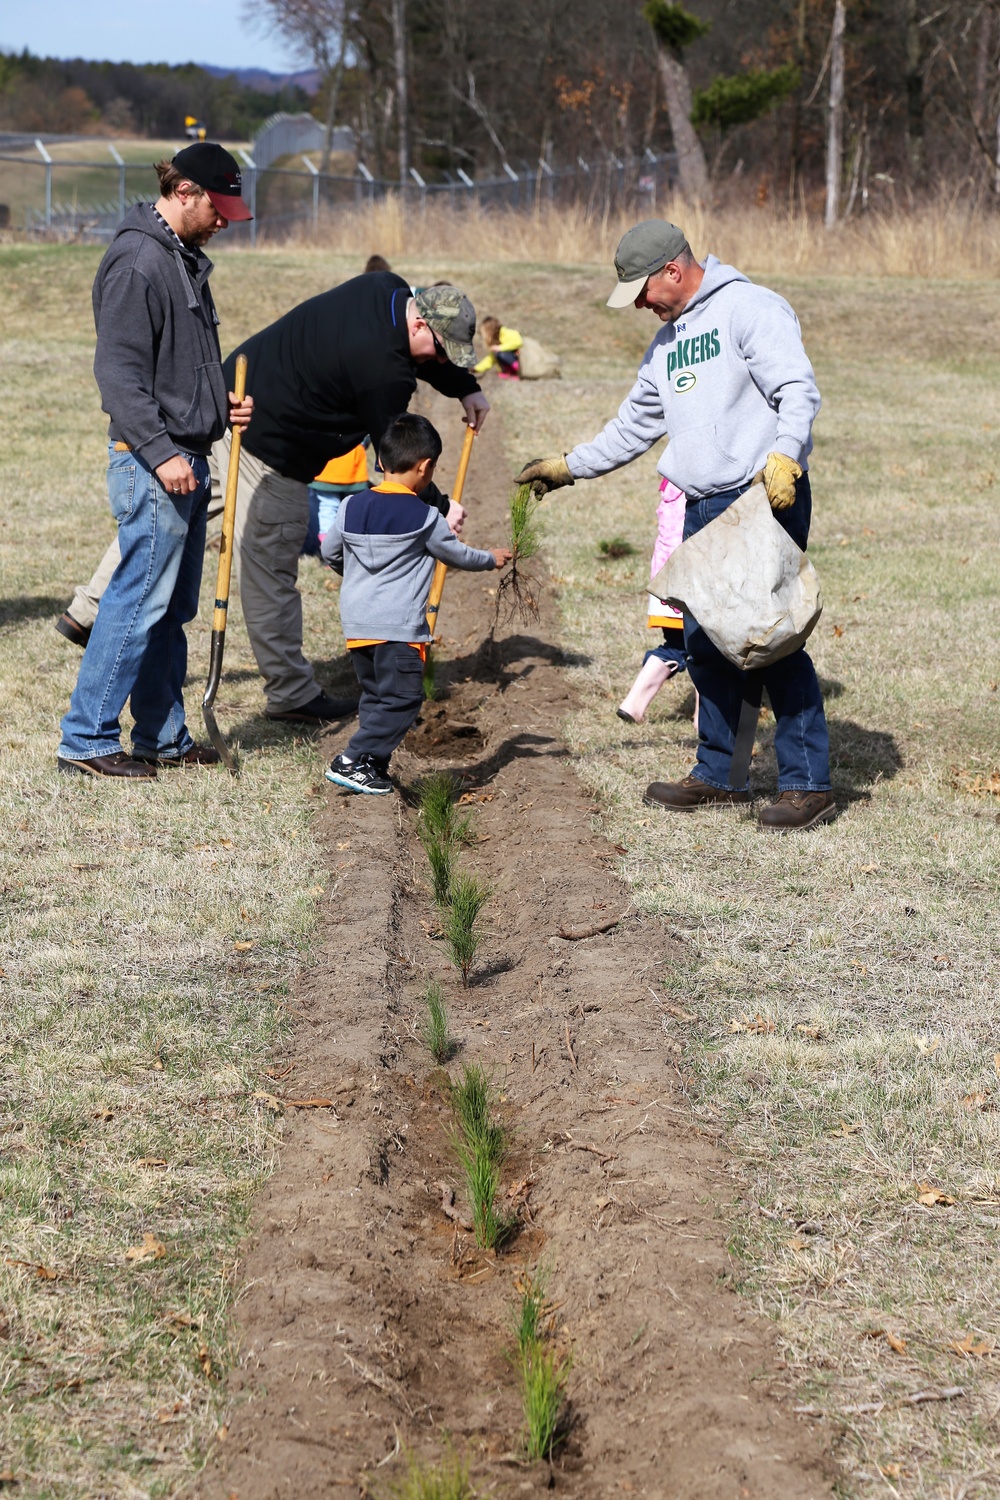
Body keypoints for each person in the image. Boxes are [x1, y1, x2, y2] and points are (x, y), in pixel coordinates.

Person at [516, 219, 835, 833]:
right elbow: (634, 426)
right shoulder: (666, 343)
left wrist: (787, 453)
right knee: (707, 643)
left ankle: (806, 783)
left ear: (674, 270)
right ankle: (722, 773)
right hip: (702, 504)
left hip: (761, 495)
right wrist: (569, 467)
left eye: (643, 290)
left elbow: (797, 389)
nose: (640, 304)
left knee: (770, 640)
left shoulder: (749, 308)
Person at [56, 143, 254, 779]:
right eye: (218, 207)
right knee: (137, 601)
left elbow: (172, 367)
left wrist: (217, 408)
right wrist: (163, 451)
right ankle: (85, 739)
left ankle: (162, 738)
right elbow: (118, 376)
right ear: (186, 190)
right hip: (153, 463)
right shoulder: (140, 261)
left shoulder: (183, 258)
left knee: (170, 608)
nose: (225, 219)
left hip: (186, 456)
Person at [216, 278, 490, 723]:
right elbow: (397, 461)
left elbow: (413, 349)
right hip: (270, 446)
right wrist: (440, 508)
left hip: (225, 402)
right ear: (419, 323)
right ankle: (290, 695)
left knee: (170, 519)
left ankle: (90, 613)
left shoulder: (386, 289)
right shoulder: (385, 372)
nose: (439, 362)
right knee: (271, 567)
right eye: (442, 352)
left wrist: (463, 384)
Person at [320, 413, 511, 795]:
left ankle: (372, 766)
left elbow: (330, 552)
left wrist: (357, 577)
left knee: (376, 696)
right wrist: (491, 558)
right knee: (405, 698)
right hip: (398, 628)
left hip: (358, 626)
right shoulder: (426, 517)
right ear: (425, 467)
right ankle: (351, 759)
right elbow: (457, 555)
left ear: (379, 462)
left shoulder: (350, 507)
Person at [617, 478, 689, 725]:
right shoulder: (709, 485)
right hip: (694, 579)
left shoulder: (672, 482)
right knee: (712, 648)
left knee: (676, 644)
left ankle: (634, 703)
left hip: (664, 579)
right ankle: (707, 720)